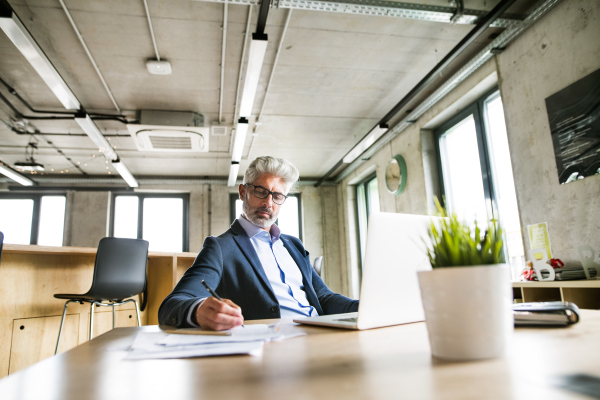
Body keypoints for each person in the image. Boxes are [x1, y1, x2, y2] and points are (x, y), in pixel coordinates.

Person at [158, 156, 359, 330]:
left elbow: (323, 297)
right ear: (243, 192)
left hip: (320, 333)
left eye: (277, 196)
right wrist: (199, 310)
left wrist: (364, 307)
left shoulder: (293, 245)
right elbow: (172, 305)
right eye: (261, 191)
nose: (268, 202)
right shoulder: (220, 248)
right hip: (271, 344)